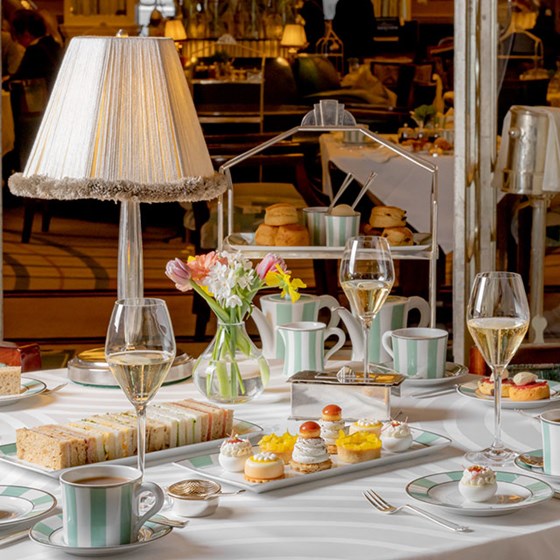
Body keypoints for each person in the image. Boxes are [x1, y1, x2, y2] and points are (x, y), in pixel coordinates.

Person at [10, 9, 62, 90]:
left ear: (26, 35)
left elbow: (18, 79)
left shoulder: (34, 51)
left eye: (17, 38)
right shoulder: (53, 44)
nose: (18, 43)